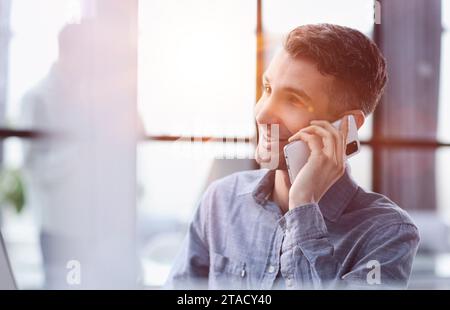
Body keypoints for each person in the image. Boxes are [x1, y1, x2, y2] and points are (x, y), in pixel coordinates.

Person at [166, 24, 420, 289]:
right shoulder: (220, 201)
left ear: (347, 127)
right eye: (267, 89)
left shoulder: (387, 232)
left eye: (293, 100)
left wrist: (303, 207)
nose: (262, 114)